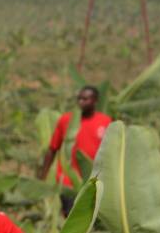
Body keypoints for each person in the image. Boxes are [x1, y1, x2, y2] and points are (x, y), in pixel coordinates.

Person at [38, 86, 111, 214]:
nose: (81, 102)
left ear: (95, 101)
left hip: (94, 181)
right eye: (79, 99)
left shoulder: (105, 121)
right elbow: (52, 149)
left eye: (85, 99)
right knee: (71, 216)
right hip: (69, 181)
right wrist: (43, 176)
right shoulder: (66, 120)